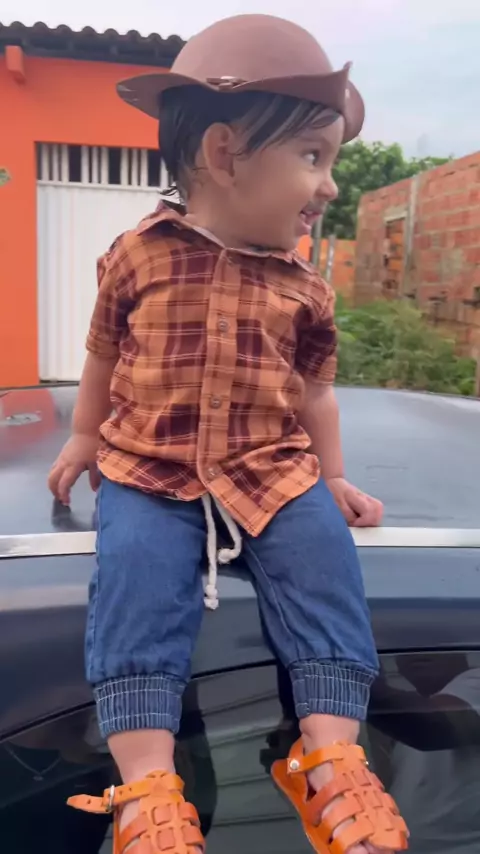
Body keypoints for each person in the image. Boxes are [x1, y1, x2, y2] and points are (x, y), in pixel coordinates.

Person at [48, 13, 408, 854]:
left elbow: (316, 393)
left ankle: (330, 760)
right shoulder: (137, 255)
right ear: (224, 153)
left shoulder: (306, 289)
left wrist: (332, 477)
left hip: (270, 470)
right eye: (313, 157)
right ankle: (146, 787)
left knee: (326, 570)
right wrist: (83, 438)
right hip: (149, 469)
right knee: (135, 580)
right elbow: (102, 353)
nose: (330, 188)